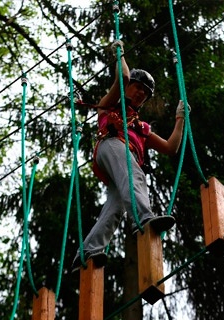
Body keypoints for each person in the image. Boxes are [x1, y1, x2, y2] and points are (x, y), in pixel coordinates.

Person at [72, 50, 186, 271]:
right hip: (111, 145)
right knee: (135, 175)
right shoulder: (110, 105)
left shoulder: (142, 129)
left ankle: (87, 251)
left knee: (114, 208)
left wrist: (180, 119)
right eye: (137, 87)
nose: (140, 93)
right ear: (128, 87)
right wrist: (119, 54)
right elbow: (122, 77)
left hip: (123, 159)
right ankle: (143, 218)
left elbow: (171, 148)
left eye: (145, 93)